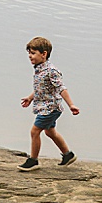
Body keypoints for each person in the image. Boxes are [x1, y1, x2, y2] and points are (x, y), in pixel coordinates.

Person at [18, 37, 79, 171]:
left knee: (35, 131)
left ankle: (33, 160)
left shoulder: (51, 71)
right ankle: (68, 155)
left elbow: (61, 88)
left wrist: (71, 105)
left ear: (44, 54)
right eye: (29, 53)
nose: (30, 56)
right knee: (50, 132)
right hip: (45, 107)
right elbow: (42, 88)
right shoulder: (39, 68)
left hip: (50, 108)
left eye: (33, 53)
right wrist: (30, 98)